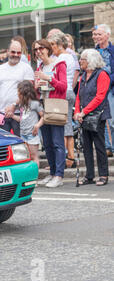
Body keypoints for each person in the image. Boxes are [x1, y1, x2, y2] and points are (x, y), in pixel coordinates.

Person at [74, 49, 111, 186]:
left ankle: (103, 175)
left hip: (98, 115)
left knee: (100, 146)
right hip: (84, 116)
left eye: (82, 59)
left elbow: (100, 97)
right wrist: (77, 112)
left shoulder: (102, 74)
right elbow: (79, 96)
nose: (80, 61)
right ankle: (89, 176)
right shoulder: (83, 75)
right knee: (86, 147)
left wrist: (83, 112)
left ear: (90, 61)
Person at [33, 39, 67, 188]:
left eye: (41, 48)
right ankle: (53, 173)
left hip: (55, 106)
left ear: (48, 48)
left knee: (57, 142)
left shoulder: (59, 64)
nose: (38, 51)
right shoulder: (39, 66)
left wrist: (48, 78)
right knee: (47, 143)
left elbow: (64, 87)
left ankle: (59, 175)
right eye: (35, 49)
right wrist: (36, 86)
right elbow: (36, 91)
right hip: (43, 106)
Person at [0, 40, 35, 137]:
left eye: (19, 52)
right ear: (8, 52)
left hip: (20, 114)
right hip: (2, 114)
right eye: (13, 52)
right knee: (3, 145)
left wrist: (14, 105)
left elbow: (28, 91)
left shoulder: (26, 68)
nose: (16, 55)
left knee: (21, 146)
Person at [48, 32, 79, 169]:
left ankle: (68, 157)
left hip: (63, 93)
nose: (51, 48)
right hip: (69, 92)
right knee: (66, 125)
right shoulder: (69, 56)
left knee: (64, 126)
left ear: (60, 45)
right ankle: (68, 156)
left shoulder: (62, 58)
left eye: (53, 45)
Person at [9, 81, 44, 167]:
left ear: (24, 93)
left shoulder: (35, 104)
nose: (17, 94)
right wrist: (12, 116)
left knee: (34, 156)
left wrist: (37, 125)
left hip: (32, 134)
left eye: (18, 92)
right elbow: (22, 119)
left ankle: (35, 175)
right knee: (26, 157)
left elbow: (44, 117)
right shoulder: (22, 105)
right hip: (23, 134)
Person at [92, 24, 114, 158]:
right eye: (95, 34)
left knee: (112, 121)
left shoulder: (112, 51)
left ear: (107, 35)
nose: (96, 37)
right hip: (98, 90)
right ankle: (107, 147)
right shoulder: (93, 52)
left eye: (99, 34)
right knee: (102, 119)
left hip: (111, 89)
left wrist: (107, 82)